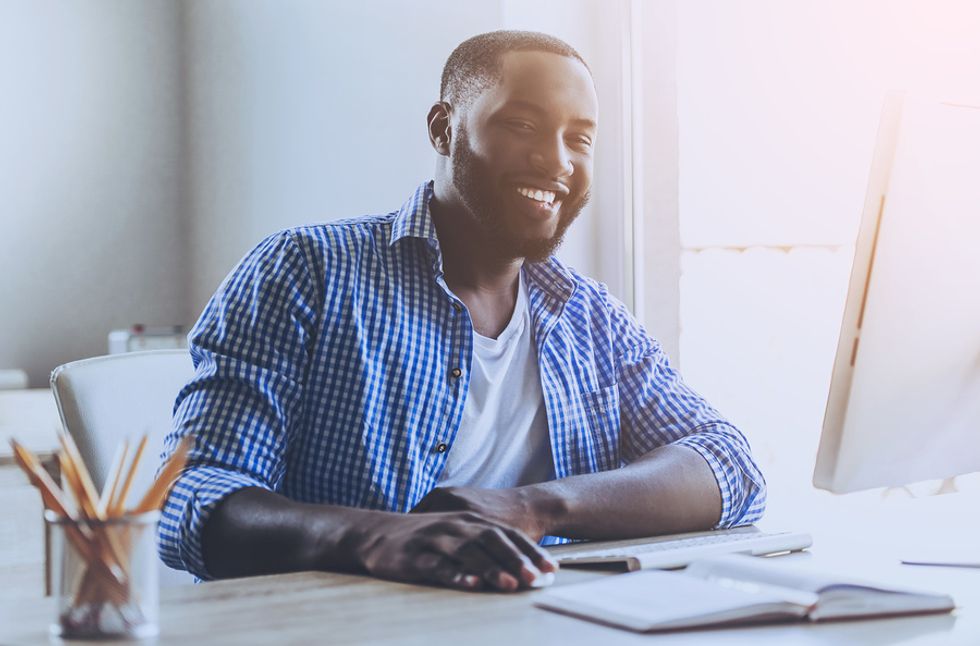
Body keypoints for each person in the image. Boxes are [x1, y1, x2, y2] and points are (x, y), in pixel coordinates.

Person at [159, 30, 766, 593]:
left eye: (579, 139)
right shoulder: (306, 271)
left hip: (548, 620)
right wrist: (369, 536)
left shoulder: (591, 318)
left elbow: (728, 464)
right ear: (443, 129)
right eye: (522, 125)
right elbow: (192, 494)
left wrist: (535, 508)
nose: (556, 161)